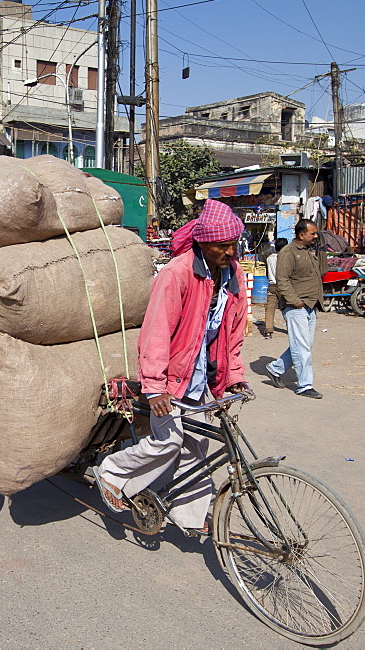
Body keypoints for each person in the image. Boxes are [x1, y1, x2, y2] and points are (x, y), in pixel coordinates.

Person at [93, 200, 249, 533]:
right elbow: (156, 332)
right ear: (204, 242)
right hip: (170, 376)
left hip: (200, 378)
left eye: (233, 244)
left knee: (197, 444)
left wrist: (234, 377)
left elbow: (233, 331)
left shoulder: (234, 274)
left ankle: (188, 515)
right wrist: (153, 386)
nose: (230, 251)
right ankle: (112, 473)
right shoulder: (177, 273)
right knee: (168, 441)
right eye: (223, 245)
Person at [265, 219, 328, 399]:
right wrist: (295, 301)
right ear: (302, 235)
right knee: (302, 348)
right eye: (313, 233)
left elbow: (322, 271)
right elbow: (282, 280)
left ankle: (275, 368)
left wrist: (322, 249)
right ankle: (304, 385)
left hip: (311, 304)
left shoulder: (309, 252)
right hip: (296, 306)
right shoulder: (288, 253)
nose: (316, 236)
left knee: (303, 345)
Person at [263, 237, 287, 339]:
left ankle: (268, 330)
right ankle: (291, 328)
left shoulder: (269, 258)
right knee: (287, 308)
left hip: (272, 285)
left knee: (270, 308)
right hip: (283, 285)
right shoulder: (285, 258)